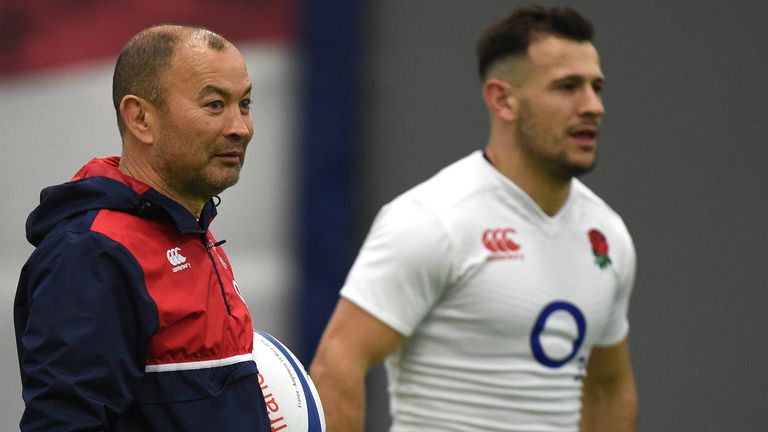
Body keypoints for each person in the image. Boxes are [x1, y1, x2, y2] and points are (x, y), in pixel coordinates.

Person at [310, 5, 637, 432]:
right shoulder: (433, 219)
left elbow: (608, 388)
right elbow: (338, 362)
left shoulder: (607, 234)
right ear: (503, 99)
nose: (593, 106)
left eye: (597, 87)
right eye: (568, 87)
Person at [14, 25, 273, 431]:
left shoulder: (193, 231)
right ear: (140, 118)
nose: (239, 126)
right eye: (214, 104)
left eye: (245, 103)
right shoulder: (92, 253)